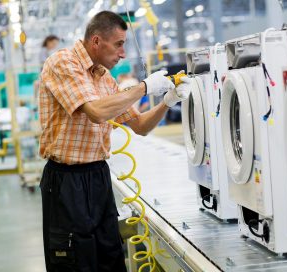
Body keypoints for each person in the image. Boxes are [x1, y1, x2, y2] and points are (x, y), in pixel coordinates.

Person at [38, 11, 190, 272]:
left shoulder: (105, 78)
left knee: (110, 255)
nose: (122, 53)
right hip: (66, 182)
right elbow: (96, 112)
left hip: (97, 176)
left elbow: (140, 126)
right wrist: (143, 87)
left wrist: (168, 101)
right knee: (75, 260)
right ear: (96, 41)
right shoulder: (63, 62)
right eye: (119, 44)